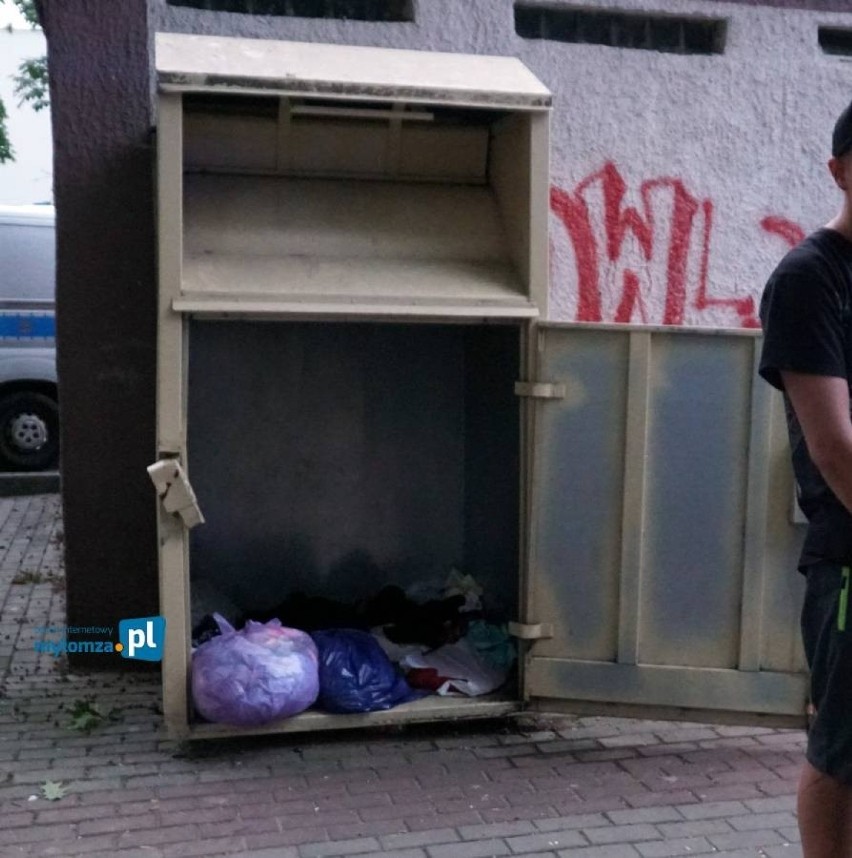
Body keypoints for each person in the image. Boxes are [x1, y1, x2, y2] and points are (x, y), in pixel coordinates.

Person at [759, 100, 852, 858]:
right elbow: (834, 449)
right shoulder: (810, 279)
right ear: (841, 171)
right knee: (842, 754)